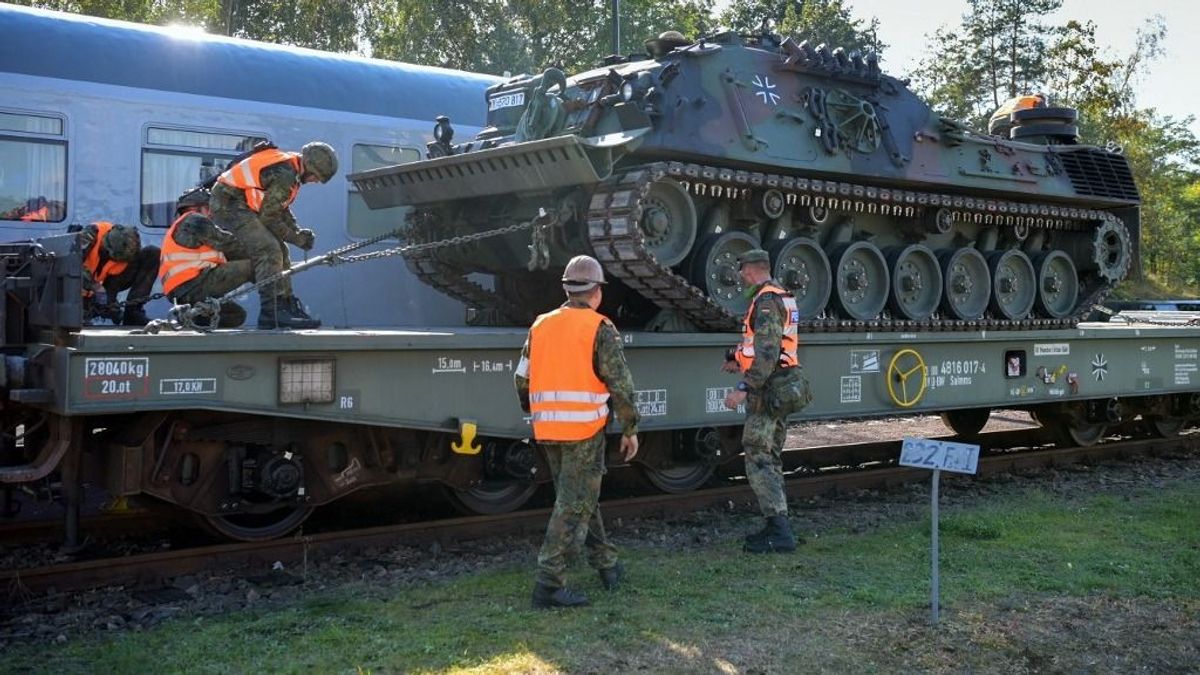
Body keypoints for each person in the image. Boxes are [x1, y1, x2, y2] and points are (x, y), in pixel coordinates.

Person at [515, 255, 640, 609]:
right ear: (596, 292)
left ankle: (607, 565)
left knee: (580, 498)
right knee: (574, 505)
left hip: (549, 429)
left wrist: (536, 409)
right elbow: (620, 383)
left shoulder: (540, 325)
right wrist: (630, 427)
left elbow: (521, 378)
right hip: (584, 430)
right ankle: (549, 584)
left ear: (568, 289)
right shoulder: (600, 328)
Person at [722, 249, 810, 553]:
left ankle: (779, 532)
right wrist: (737, 358)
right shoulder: (781, 296)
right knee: (769, 455)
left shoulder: (767, 301)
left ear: (753, 270)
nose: (742, 278)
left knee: (758, 454)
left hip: (769, 390)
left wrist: (743, 387)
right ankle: (777, 525)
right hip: (782, 386)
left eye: (744, 272)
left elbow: (769, 353)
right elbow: (762, 346)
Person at [209, 141, 337, 329]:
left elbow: (281, 209)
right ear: (309, 167)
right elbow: (269, 217)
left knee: (281, 250)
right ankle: (271, 312)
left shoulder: (290, 168)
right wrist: (297, 238)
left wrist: (296, 231)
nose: (315, 181)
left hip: (239, 203)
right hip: (227, 204)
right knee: (268, 249)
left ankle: (285, 305)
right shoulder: (286, 174)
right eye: (316, 177)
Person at [159, 186, 254, 328]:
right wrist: (265, 252)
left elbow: (229, 253)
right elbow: (230, 244)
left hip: (184, 290)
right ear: (198, 207)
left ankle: (191, 319)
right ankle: (276, 310)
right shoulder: (195, 221)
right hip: (192, 286)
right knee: (256, 265)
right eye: (209, 208)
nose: (211, 214)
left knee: (236, 315)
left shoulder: (182, 226)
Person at [78, 221, 160, 326]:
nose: (120, 262)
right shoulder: (90, 234)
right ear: (108, 250)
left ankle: (133, 313)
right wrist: (96, 288)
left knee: (152, 253)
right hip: (77, 291)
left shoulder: (126, 250)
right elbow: (71, 263)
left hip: (104, 286)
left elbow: (112, 282)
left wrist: (110, 303)